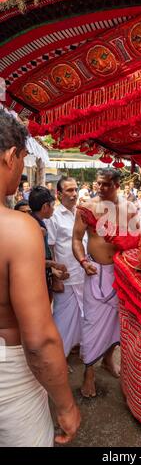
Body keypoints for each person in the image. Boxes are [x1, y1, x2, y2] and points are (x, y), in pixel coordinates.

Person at [0, 109, 80, 447]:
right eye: (22, 159)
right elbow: (40, 342)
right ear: (10, 156)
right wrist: (66, 405)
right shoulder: (17, 229)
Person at [72, 168, 137, 397]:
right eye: (98, 184)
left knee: (117, 324)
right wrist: (82, 261)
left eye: (106, 184)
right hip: (95, 272)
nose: (100, 188)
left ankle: (109, 359)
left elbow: (138, 240)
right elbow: (77, 239)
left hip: (121, 274)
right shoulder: (88, 207)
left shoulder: (130, 208)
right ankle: (89, 372)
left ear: (117, 185)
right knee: (92, 323)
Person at [46, 177, 86, 357]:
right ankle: (56, 357)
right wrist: (55, 276)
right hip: (66, 277)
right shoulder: (54, 216)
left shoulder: (81, 213)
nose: (74, 194)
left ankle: (73, 348)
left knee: (81, 318)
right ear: (59, 194)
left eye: (75, 189)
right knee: (62, 320)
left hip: (84, 275)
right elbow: (51, 248)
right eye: (69, 190)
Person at [29, 186, 69, 300]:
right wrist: (54, 264)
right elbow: (34, 260)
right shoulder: (37, 228)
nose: (54, 209)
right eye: (52, 205)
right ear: (45, 207)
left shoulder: (33, 222)